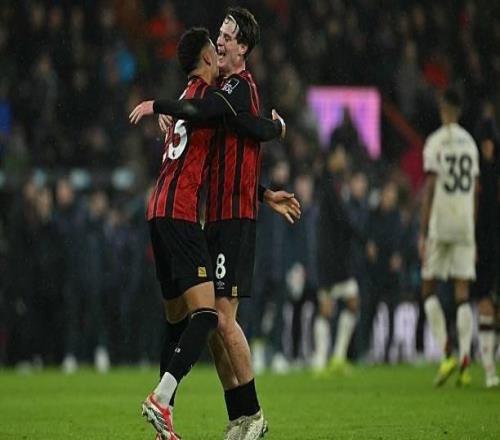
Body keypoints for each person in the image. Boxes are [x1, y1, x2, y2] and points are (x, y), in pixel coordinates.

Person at [130, 9, 301, 440]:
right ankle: (238, 415)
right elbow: (237, 139)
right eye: (218, 36)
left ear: (243, 47)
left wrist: (162, 107)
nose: (220, 42)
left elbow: (242, 123)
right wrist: (266, 181)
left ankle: (252, 415)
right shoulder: (217, 93)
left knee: (218, 319)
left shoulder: (237, 88)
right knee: (209, 324)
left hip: (234, 219)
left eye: (227, 37)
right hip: (214, 215)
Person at [419, 89, 479, 387]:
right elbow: (476, 191)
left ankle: (446, 352)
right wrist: (472, 229)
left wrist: (422, 231)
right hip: (465, 223)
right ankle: (466, 358)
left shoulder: (435, 142)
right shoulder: (471, 143)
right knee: (462, 292)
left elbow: (430, 187)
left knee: (428, 286)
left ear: (444, 110)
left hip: (441, 224)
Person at [312, 148, 360, 374]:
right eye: (340, 155)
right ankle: (324, 359)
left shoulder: (335, 183)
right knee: (330, 306)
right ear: (332, 159)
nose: (344, 159)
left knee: (346, 302)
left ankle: (334, 358)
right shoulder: (328, 183)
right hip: (330, 257)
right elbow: (343, 219)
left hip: (334, 256)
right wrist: (361, 237)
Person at [473, 102, 499, 388]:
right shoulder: (475, 173)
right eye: (485, 143)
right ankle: (489, 369)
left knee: (495, 308)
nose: (488, 147)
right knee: (484, 304)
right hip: (481, 244)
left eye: (491, 143)